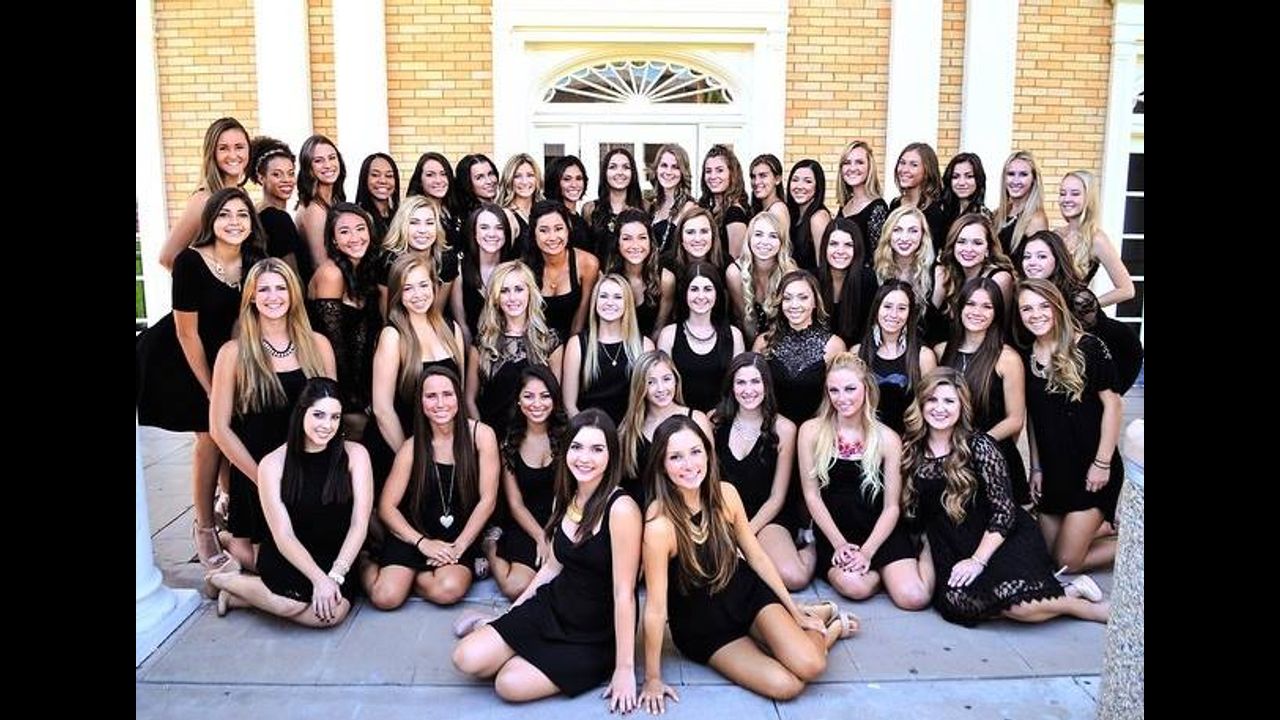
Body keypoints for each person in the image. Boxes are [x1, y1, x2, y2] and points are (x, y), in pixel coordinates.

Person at [639, 415, 856, 707]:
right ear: (661, 465)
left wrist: (793, 611)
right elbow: (655, 608)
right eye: (675, 457)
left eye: (695, 452)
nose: (689, 464)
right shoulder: (659, 525)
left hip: (746, 595)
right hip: (705, 626)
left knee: (811, 665)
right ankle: (830, 626)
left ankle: (814, 619)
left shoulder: (726, 494)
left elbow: (756, 556)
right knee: (787, 685)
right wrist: (652, 678)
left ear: (707, 453)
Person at [452, 410, 643, 710]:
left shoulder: (621, 509)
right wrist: (512, 615)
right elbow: (552, 567)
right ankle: (491, 626)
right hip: (553, 607)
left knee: (508, 685)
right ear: (566, 451)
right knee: (465, 658)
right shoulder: (567, 495)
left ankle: (518, 648)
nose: (585, 458)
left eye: (597, 449)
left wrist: (624, 668)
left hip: (593, 632)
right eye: (577, 447)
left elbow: (624, 593)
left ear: (611, 456)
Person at [901, 368, 1109, 626]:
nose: (939, 408)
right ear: (921, 404)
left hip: (998, 536)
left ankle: (1084, 609)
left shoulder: (980, 446)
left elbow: (1004, 512)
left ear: (962, 406)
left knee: (1017, 605)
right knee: (958, 604)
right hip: (952, 541)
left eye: (949, 401)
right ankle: (1067, 591)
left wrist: (977, 561)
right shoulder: (911, 449)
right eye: (932, 400)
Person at [137, 187, 267, 569]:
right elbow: (186, 333)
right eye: (224, 214)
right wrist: (213, 390)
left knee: (233, 432)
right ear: (210, 220)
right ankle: (204, 528)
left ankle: (230, 511)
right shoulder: (190, 262)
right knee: (211, 435)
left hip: (227, 356)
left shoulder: (254, 261)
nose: (234, 222)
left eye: (242, 214)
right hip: (180, 358)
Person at [206, 377, 374, 627]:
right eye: (318, 415)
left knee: (330, 616)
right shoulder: (272, 464)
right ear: (301, 412)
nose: (327, 425)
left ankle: (239, 596)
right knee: (289, 604)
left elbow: (359, 524)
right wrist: (319, 580)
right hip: (289, 552)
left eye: (335, 417)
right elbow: (283, 534)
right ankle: (223, 580)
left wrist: (336, 575)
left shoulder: (356, 455)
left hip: (337, 555)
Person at [209, 258, 336, 570]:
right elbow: (219, 428)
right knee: (268, 565)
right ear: (251, 296)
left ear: (293, 294)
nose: (273, 296)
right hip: (256, 469)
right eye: (263, 289)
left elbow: (333, 413)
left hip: (306, 468)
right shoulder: (233, 353)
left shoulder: (318, 345)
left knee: (313, 561)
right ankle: (228, 541)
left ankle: (230, 571)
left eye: (281, 288)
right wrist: (263, 479)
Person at [797, 353, 931, 609]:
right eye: (834, 390)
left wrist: (868, 551)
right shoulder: (811, 431)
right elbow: (812, 496)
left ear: (866, 388)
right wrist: (839, 544)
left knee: (914, 598)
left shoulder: (887, 438)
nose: (842, 398)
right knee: (855, 587)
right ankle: (879, 574)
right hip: (837, 532)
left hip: (880, 531)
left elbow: (891, 507)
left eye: (850, 389)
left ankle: (927, 547)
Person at [361, 366, 500, 607]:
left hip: (458, 535)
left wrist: (459, 546)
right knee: (386, 597)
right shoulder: (411, 447)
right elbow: (387, 507)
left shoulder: (482, 435)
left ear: (458, 397)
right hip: (415, 534)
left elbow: (488, 500)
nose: (440, 403)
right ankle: (364, 561)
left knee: (448, 589)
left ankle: (410, 578)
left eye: (447, 394)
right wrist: (422, 543)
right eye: (431, 396)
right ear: (421, 402)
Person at [1015, 279, 1123, 573]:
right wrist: (1036, 468)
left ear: (1057, 307)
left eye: (1043, 306)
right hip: (1054, 471)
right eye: (1027, 309)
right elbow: (1034, 418)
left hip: (1091, 468)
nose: (1036, 314)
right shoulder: (1026, 356)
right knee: (1049, 555)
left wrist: (1102, 463)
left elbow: (1113, 406)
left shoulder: (1088, 346)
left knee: (1066, 562)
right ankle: (1102, 529)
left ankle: (1134, 541)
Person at [712, 353, 812, 589]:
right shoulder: (714, 422)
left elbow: (777, 497)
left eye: (755, 382)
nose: (748, 390)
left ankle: (811, 545)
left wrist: (744, 536)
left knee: (793, 578)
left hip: (768, 516)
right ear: (731, 386)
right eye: (741, 382)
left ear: (766, 385)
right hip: (726, 514)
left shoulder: (785, 429)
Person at [366, 254, 466, 488]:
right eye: (408, 288)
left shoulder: (452, 330)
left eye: (423, 285)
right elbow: (382, 410)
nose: (418, 294)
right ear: (398, 294)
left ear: (434, 286)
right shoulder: (393, 336)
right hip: (398, 446)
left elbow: (457, 395)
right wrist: (412, 460)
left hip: (441, 449)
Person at [934, 277, 1028, 505]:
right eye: (971, 304)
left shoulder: (1007, 358)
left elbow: (1015, 420)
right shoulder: (941, 351)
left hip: (990, 457)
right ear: (960, 307)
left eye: (987, 306)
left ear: (996, 313)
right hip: (947, 457)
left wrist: (974, 446)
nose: (977, 312)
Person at [483, 366, 569, 599]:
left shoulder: (568, 437)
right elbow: (515, 503)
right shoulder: (508, 443)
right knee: (516, 588)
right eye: (529, 396)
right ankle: (490, 547)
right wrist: (540, 536)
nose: (537, 404)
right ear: (518, 401)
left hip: (563, 520)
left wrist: (555, 533)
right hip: (526, 523)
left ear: (554, 399)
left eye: (545, 396)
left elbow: (571, 495)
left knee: (563, 583)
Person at [307, 202, 383, 439]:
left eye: (360, 229)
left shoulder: (365, 270)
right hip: (337, 383)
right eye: (344, 231)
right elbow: (334, 345)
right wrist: (352, 401)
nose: (355, 237)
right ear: (333, 240)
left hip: (363, 383)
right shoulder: (331, 274)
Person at [465, 260, 561, 442]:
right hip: (493, 438)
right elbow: (469, 399)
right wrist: (484, 439)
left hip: (536, 441)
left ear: (530, 292)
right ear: (495, 297)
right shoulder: (483, 343)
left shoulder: (549, 341)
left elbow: (556, 400)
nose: (512, 298)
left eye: (519, 289)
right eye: (504, 291)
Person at [618, 350, 714, 503]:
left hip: (689, 507)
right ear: (640, 386)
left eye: (666, 379)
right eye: (651, 382)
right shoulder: (629, 429)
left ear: (676, 380)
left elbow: (711, 470)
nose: (661, 388)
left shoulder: (697, 419)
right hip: (644, 509)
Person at [754, 270, 846, 424]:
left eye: (803, 297)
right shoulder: (763, 342)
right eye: (787, 298)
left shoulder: (834, 345)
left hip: (817, 428)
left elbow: (838, 398)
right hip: (772, 427)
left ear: (815, 302)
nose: (794, 305)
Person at [159, 117, 250, 270]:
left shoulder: (242, 194)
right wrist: (209, 279)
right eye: (223, 148)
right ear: (212, 153)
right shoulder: (204, 199)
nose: (233, 155)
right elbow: (167, 257)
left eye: (239, 147)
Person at [561, 272, 654, 422]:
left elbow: (648, 404)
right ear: (595, 301)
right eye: (603, 296)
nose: (610, 303)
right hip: (588, 430)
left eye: (618, 297)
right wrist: (591, 433)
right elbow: (569, 406)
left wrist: (628, 431)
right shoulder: (576, 345)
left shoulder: (645, 346)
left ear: (627, 303)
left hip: (631, 430)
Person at [656, 260, 745, 413]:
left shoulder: (734, 336)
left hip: (723, 417)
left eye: (708, 289)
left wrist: (719, 415)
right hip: (679, 418)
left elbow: (739, 385)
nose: (701, 296)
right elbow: (663, 387)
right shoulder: (668, 335)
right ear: (685, 293)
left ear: (717, 293)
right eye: (694, 289)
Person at [853, 280, 938, 434]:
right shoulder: (857, 353)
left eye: (902, 308)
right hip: (865, 436)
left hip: (909, 438)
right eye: (887, 306)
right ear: (877, 309)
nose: (893, 314)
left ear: (910, 313)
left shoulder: (924, 356)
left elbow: (931, 406)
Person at [1053, 170, 1135, 308]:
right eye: (1062, 193)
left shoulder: (1096, 239)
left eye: (1075, 194)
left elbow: (1127, 290)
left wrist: (1085, 307)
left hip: (1074, 318)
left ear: (1089, 198)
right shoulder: (1056, 234)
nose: (1066, 199)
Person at [525, 200, 600, 343]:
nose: (552, 237)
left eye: (558, 228)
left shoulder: (587, 263)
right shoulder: (524, 267)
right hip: (535, 342)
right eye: (543, 230)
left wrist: (570, 350)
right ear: (533, 233)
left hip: (574, 342)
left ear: (568, 229)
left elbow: (583, 312)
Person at [378, 195, 457, 318]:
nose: (423, 230)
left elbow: (436, 313)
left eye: (429, 223)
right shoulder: (388, 261)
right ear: (402, 226)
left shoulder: (446, 259)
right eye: (414, 223)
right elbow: (386, 314)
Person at [727, 211, 799, 346]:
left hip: (785, 341)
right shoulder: (735, 272)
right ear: (749, 239)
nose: (764, 242)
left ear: (781, 242)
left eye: (773, 236)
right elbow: (744, 319)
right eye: (758, 234)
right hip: (749, 342)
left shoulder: (790, 273)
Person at [248, 137, 309, 283]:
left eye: (290, 173)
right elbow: (291, 276)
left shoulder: (257, 211)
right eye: (277, 174)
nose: (287, 180)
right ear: (261, 178)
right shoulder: (277, 219)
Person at [606, 208, 674, 341]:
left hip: (650, 347)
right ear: (617, 243)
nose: (635, 245)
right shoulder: (608, 277)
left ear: (650, 241)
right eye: (627, 238)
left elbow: (659, 328)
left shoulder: (666, 279)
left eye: (642, 238)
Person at [452, 202, 516, 341]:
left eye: (499, 228)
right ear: (474, 233)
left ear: (506, 233)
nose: (492, 234)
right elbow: (462, 324)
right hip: (472, 346)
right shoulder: (460, 269)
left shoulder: (515, 270)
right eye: (484, 227)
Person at [816, 216, 878, 348]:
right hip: (819, 351)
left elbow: (869, 328)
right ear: (824, 247)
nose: (840, 251)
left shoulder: (867, 279)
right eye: (834, 244)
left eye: (848, 245)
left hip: (857, 352)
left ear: (857, 249)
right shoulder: (813, 279)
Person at [294, 134, 348, 274]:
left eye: (332, 158)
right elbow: (320, 264)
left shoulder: (334, 200)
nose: (328, 165)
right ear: (308, 167)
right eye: (318, 161)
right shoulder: (314, 209)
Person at [582, 148, 644, 261]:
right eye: (613, 167)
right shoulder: (590, 209)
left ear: (633, 173)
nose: (620, 172)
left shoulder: (646, 207)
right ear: (605, 173)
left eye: (626, 167)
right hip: (598, 271)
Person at [835, 140, 890, 264]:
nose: (852, 168)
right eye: (847, 163)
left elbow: (879, 257)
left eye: (859, 162)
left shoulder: (878, 208)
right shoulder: (845, 205)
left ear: (870, 167)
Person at [889, 142, 949, 253]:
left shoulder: (936, 210)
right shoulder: (895, 204)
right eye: (902, 163)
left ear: (927, 171)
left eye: (914, 165)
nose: (904, 169)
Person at [648, 144, 699, 266]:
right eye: (664, 165)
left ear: (683, 172)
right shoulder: (653, 207)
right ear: (656, 169)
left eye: (675, 167)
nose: (668, 172)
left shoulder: (690, 208)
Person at [700, 144, 750, 262]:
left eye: (720, 170)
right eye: (708, 171)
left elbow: (736, 262)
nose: (713, 176)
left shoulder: (735, 213)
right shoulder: (709, 208)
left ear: (732, 174)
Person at [994, 151, 1049, 258]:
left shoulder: (1036, 220)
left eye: (1023, 174)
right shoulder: (998, 214)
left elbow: (1038, 262)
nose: (1016, 181)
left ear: (1034, 179)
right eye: (1011, 174)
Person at [784, 159, 832, 273]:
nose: (799, 186)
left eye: (808, 181)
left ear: (818, 186)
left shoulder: (818, 218)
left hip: (810, 282)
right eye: (795, 180)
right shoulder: (792, 215)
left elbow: (823, 268)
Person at [544, 155, 594, 254]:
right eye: (567, 179)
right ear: (555, 182)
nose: (574, 184)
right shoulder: (552, 217)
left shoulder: (580, 220)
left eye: (579, 178)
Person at [498, 153, 544, 256]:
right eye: (517, 176)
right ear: (509, 180)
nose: (524, 182)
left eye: (530, 175)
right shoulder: (507, 216)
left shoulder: (542, 212)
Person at [354, 152, 401, 244]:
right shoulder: (359, 218)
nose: (383, 181)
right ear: (365, 178)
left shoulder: (400, 216)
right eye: (375, 175)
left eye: (389, 176)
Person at [748, 153, 791, 235]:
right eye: (753, 177)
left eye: (763, 176)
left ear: (777, 179)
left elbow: (780, 242)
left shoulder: (777, 210)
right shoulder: (762, 208)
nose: (756, 182)